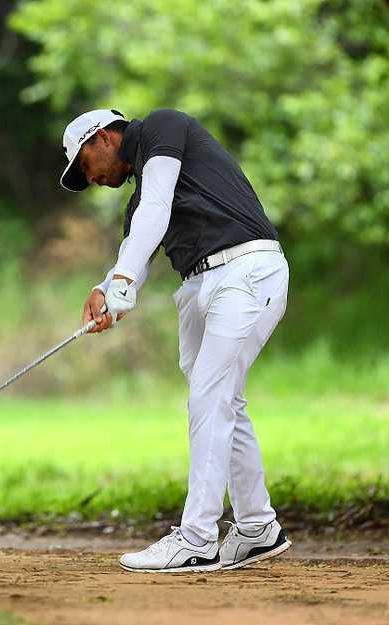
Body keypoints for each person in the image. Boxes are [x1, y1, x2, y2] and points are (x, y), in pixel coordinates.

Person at [60, 108, 292, 573]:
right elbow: (141, 243)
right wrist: (108, 288)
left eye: (84, 164)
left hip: (245, 270)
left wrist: (122, 278)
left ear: (103, 137)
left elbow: (158, 204)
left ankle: (198, 537)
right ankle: (256, 526)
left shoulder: (163, 127)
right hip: (198, 284)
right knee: (223, 400)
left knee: (209, 397)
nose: (89, 178)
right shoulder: (139, 198)